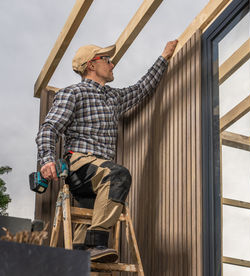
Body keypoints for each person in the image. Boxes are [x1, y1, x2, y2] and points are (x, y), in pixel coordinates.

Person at [36, 40, 178, 262]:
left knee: (82, 243)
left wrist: (164, 57)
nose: (112, 65)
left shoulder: (114, 98)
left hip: (101, 174)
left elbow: (142, 88)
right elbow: (49, 128)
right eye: (107, 60)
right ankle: (96, 243)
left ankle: (80, 253)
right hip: (80, 166)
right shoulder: (73, 93)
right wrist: (46, 160)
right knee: (118, 175)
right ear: (91, 65)